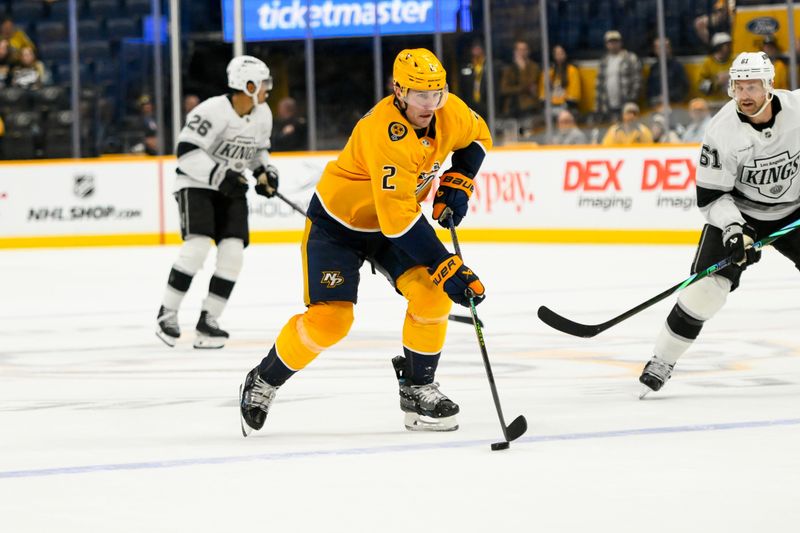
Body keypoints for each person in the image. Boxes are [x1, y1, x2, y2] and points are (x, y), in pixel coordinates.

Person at [238, 48, 490, 436]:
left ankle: (418, 387)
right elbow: (400, 221)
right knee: (331, 322)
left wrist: (461, 178)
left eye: (436, 93)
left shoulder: (448, 110)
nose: (430, 103)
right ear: (398, 90)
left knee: (434, 295)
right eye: (421, 95)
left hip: (391, 225)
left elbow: (479, 136)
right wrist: (445, 264)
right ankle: (263, 380)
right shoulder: (384, 133)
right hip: (339, 226)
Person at [639, 52, 800, 396]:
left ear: (770, 85)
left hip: (794, 212)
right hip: (742, 214)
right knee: (707, 291)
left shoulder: (798, 110)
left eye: (752, 86)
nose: (745, 94)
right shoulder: (722, 131)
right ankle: (662, 360)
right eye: (738, 86)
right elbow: (712, 197)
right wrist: (733, 229)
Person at [155, 55, 279, 349]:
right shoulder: (211, 110)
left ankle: (209, 319)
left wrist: (265, 173)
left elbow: (258, 151)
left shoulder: (263, 115)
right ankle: (167, 314)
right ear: (247, 85)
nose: (267, 88)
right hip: (196, 185)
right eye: (262, 83)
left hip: (230, 188)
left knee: (233, 253)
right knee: (196, 248)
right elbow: (185, 151)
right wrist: (219, 175)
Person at [594, 30, 641, 123]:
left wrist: (632, 99)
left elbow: (637, 81)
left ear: (621, 43)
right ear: (606, 44)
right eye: (610, 42)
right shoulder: (604, 61)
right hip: (608, 107)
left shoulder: (630, 58)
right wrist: (598, 107)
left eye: (616, 41)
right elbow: (599, 86)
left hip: (626, 105)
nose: (613, 44)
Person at [498, 40, 541, 121]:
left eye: (524, 49)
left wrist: (522, 68)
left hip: (530, 105)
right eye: (519, 50)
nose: (522, 52)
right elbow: (504, 89)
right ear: (515, 52)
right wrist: (522, 89)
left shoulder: (534, 67)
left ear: (528, 51)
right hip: (512, 107)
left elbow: (531, 83)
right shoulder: (509, 69)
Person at [646, 38, 688, 107]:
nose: (662, 50)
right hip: (657, 106)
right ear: (655, 50)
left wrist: (668, 96)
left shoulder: (677, 66)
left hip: (674, 105)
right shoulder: (653, 68)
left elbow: (684, 88)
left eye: (665, 47)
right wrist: (656, 99)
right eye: (658, 48)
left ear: (670, 49)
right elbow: (649, 90)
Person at [540, 44, 581, 116]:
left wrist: (566, 104)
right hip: (551, 107)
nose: (559, 56)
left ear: (565, 54)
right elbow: (543, 92)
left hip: (566, 107)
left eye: (561, 53)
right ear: (553, 56)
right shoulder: (548, 71)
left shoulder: (572, 70)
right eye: (556, 54)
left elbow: (574, 93)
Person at [698, 32, 733, 104]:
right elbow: (701, 87)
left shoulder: (734, 61)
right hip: (713, 104)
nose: (729, 47)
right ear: (718, 47)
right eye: (727, 45)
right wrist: (716, 82)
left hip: (730, 104)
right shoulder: (708, 63)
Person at [459, 40, 488, 118]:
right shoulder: (466, 66)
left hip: (486, 104)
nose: (476, 51)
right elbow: (462, 86)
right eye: (474, 48)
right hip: (470, 104)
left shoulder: (489, 66)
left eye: (478, 48)